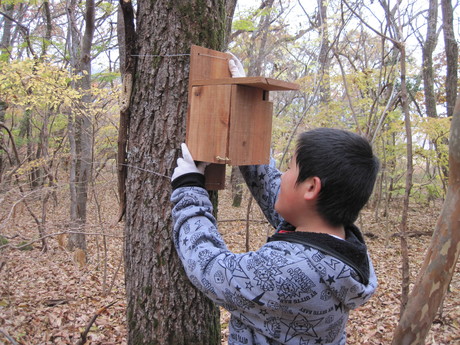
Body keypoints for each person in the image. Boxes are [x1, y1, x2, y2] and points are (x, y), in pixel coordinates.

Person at [170, 59, 380, 345]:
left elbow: (209, 268)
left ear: (311, 187)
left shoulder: (288, 272)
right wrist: (245, 105)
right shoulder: (341, 246)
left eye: (290, 168)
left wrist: (188, 187)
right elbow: (271, 185)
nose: (282, 176)